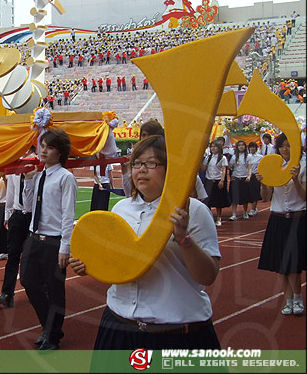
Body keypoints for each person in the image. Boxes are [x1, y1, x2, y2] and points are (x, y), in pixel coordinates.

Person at [69, 135, 221, 350]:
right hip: (119, 325)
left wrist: (183, 238)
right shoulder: (121, 209)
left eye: (151, 163)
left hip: (176, 333)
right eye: (137, 163)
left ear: (170, 169)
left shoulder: (194, 211)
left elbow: (208, 275)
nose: (141, 169)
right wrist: (90, 265)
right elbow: (117, 263)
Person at [21, 128, 77, 350]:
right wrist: (27, 182)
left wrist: (65, 246)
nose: (43, 150)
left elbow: (67, 214)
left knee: (54, 290)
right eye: (42, 146)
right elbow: (28, 207)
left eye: (50, 147)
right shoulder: (39, 175)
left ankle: (52, 336)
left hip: (54, 242)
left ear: (60, 152)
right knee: (28, 281)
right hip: (34, 238)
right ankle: (50, 327)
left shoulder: (66, 178)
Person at [258, 133, 306, 316]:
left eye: (289, 145)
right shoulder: (274, 165)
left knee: (293, 263)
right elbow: (266, 197)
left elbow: (304, 196)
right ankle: (288, 300)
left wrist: (295, 179)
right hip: (277, 217)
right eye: (282, 146)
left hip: (296, 218)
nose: (285, 149)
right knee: (281, 264)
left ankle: (298, 298)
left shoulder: (304, 164)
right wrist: (263, 183)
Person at [0, 146, 36, 308]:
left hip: (32, 215)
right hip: (17, 215)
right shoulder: (15, 164)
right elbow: (11, 190)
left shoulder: (37, 164)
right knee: (13, 255)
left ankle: (35, 291)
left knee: (31, 256)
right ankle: (7, 294)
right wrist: (7, 215)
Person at [202, 140, 231, 226]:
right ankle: (209, 218)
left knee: (218, 201)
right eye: (211, 147)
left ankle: (219, 218)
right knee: (208, 201)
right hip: (208, 181)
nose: (213, 148)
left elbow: (223, 169)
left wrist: (222, 180)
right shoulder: (208, 157)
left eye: (214, 147)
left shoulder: (222, 158)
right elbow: (203, 169)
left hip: (217, 180)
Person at [228, 140, 251, 220]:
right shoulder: (234, 156)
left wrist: (249, 176)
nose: (241, 147)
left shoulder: (248, 156)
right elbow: (229, 166)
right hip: (235, 177)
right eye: (239, 145)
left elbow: (249, 167)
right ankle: (234, 213)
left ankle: (245, 212)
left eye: (243, 145)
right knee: (234, 197)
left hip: (244, 178)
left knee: (245, 197)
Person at [247, 141, 263, 216]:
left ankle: (253, 209)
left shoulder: (260, 157)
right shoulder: (247, 156)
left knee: (255, 192)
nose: (252, 148)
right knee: (248, 192)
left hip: (255, 176)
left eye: (253, 147)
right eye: (251, 147)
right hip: (248, 176)